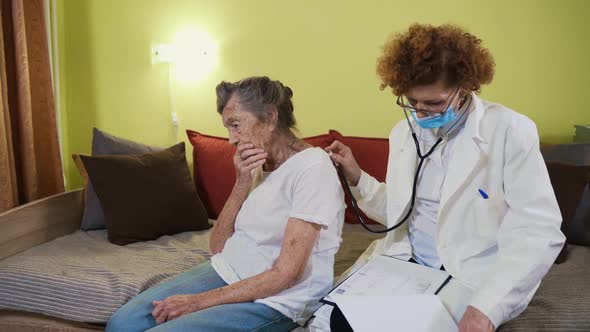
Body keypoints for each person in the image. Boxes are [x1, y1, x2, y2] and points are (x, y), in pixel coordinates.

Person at [321, 23, 565, 332]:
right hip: (406, 266)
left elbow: (539, 231)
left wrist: (487, 308)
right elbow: (400, 213)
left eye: (434, 103)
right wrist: (356, 176)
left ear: (465, 88)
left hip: (471, 273)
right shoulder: (404, 134)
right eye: (412, 102)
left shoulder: (510, 131)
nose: (421, 114)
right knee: (339, 323)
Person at [106, 76, 345, 331]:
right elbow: (218, 246)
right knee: (121, 324)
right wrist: (241, 182)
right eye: (227, 128)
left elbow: (287, 274)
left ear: (271, 117)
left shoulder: (313, 167)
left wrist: (196, 302)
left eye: (235, 125)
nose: (231, 139)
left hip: (277, 299)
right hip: (227, 271)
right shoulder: (257, 162)